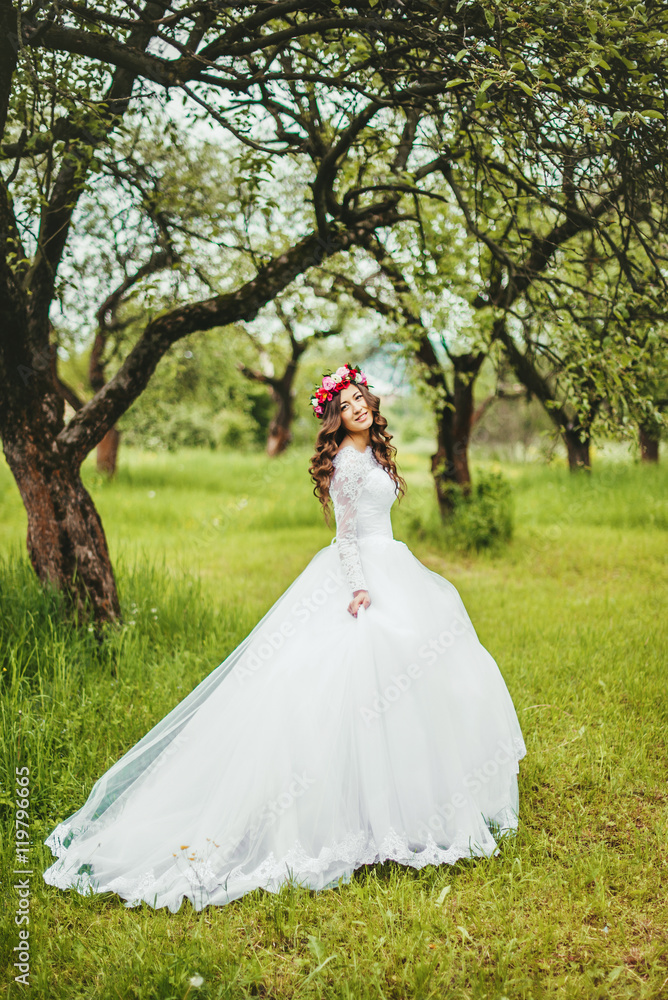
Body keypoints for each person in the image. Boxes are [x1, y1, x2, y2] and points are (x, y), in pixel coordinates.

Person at [43, 362, 526, 913]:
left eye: (360, 401)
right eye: (344, 407)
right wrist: (359, 588)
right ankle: (348, 814)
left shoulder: (376, 453)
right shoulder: (344, 462)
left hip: (395, 564)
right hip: (361, 572)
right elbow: (346, 537)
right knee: (352, 675)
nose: (357, 410)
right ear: (335, 421)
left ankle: (415, 802)